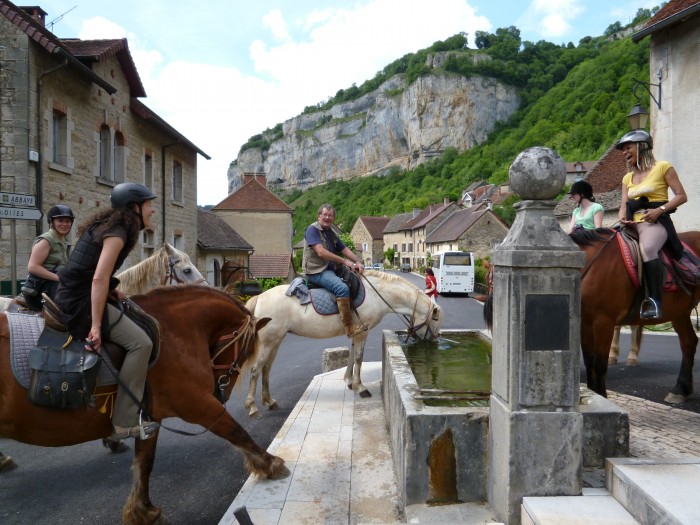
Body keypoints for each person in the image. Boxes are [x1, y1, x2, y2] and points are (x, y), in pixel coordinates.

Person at [55, 182, 159, 441]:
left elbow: (92, 271)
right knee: (141, 343)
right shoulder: (117, 232)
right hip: (79, 302)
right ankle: (124, 422)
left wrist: (113, 289)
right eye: (149, 205)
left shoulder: (113, 227)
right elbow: (98, 279)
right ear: (134, 208)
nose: (153, 210)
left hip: (77, 291)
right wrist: (95, 327)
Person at [617, 130, 688, 320]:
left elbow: (681, 196)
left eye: (628, 147)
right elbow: (624, 204)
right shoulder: (627, 178)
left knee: (647, 249)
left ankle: (655, 302)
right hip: (631, 224)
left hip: (655, 222)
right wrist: (622, 217)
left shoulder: (663, 167)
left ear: (642, 146)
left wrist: (660, 210)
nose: (624, 152)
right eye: (623, 150)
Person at [302, 204, 368, 337]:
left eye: (330, 215)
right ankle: (349, 328)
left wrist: (358, 261)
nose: (327, 217)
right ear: (319, 216)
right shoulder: (312, 230)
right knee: (342, 288)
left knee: (355, 278)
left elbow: (344, 249)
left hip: (331, 269)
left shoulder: (331, 233)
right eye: (324, 215)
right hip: (317, 271)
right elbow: (320, 252)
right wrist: (344, 261)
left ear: (333, 218)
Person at [21, 205, 74, 311]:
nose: (64, 224)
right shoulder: (46, 240)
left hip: (55, 286)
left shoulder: (61, 239)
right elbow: (33, 267)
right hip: (43, 289)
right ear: (52, 222)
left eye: (68, 221)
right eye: (60, 220)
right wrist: (59, 278)